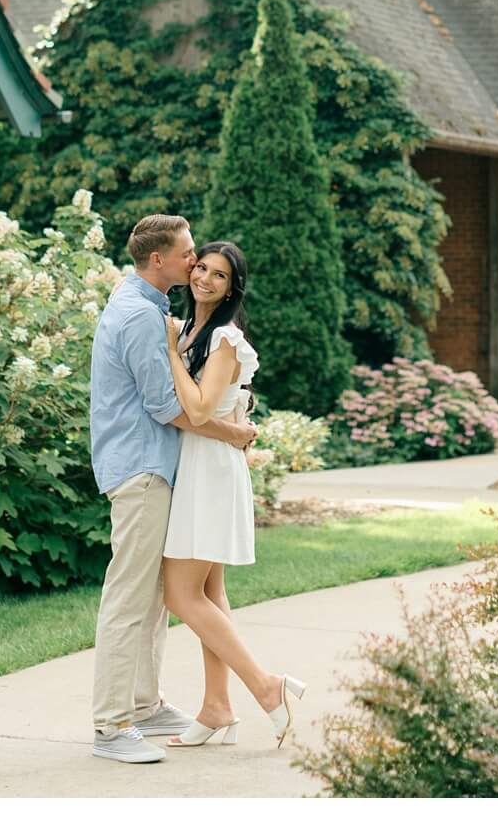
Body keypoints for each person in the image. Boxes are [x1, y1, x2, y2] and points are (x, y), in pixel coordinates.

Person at [89, 214, 258, 765]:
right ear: (158, 260)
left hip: (154, 469)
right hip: (141, 471)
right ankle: (112, 726)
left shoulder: (152, 307)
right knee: (129, 598)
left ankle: (143, 704)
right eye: (188, 254)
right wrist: (232, 432)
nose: (194, 262)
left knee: (156, 599)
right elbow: (167, 407)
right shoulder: (141, 316)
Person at [161, 241, 307, 748]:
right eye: (201, 267)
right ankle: (217, 707)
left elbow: (200, 410)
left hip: (210, 470)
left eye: (218, 275)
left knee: (180, 594)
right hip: (203, 463)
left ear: (231, 288)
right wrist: (175, 340)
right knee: (210, 594)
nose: (204, 278)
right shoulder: (192, 330)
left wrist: (168, 351)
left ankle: (267, 687)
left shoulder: (223, 337)